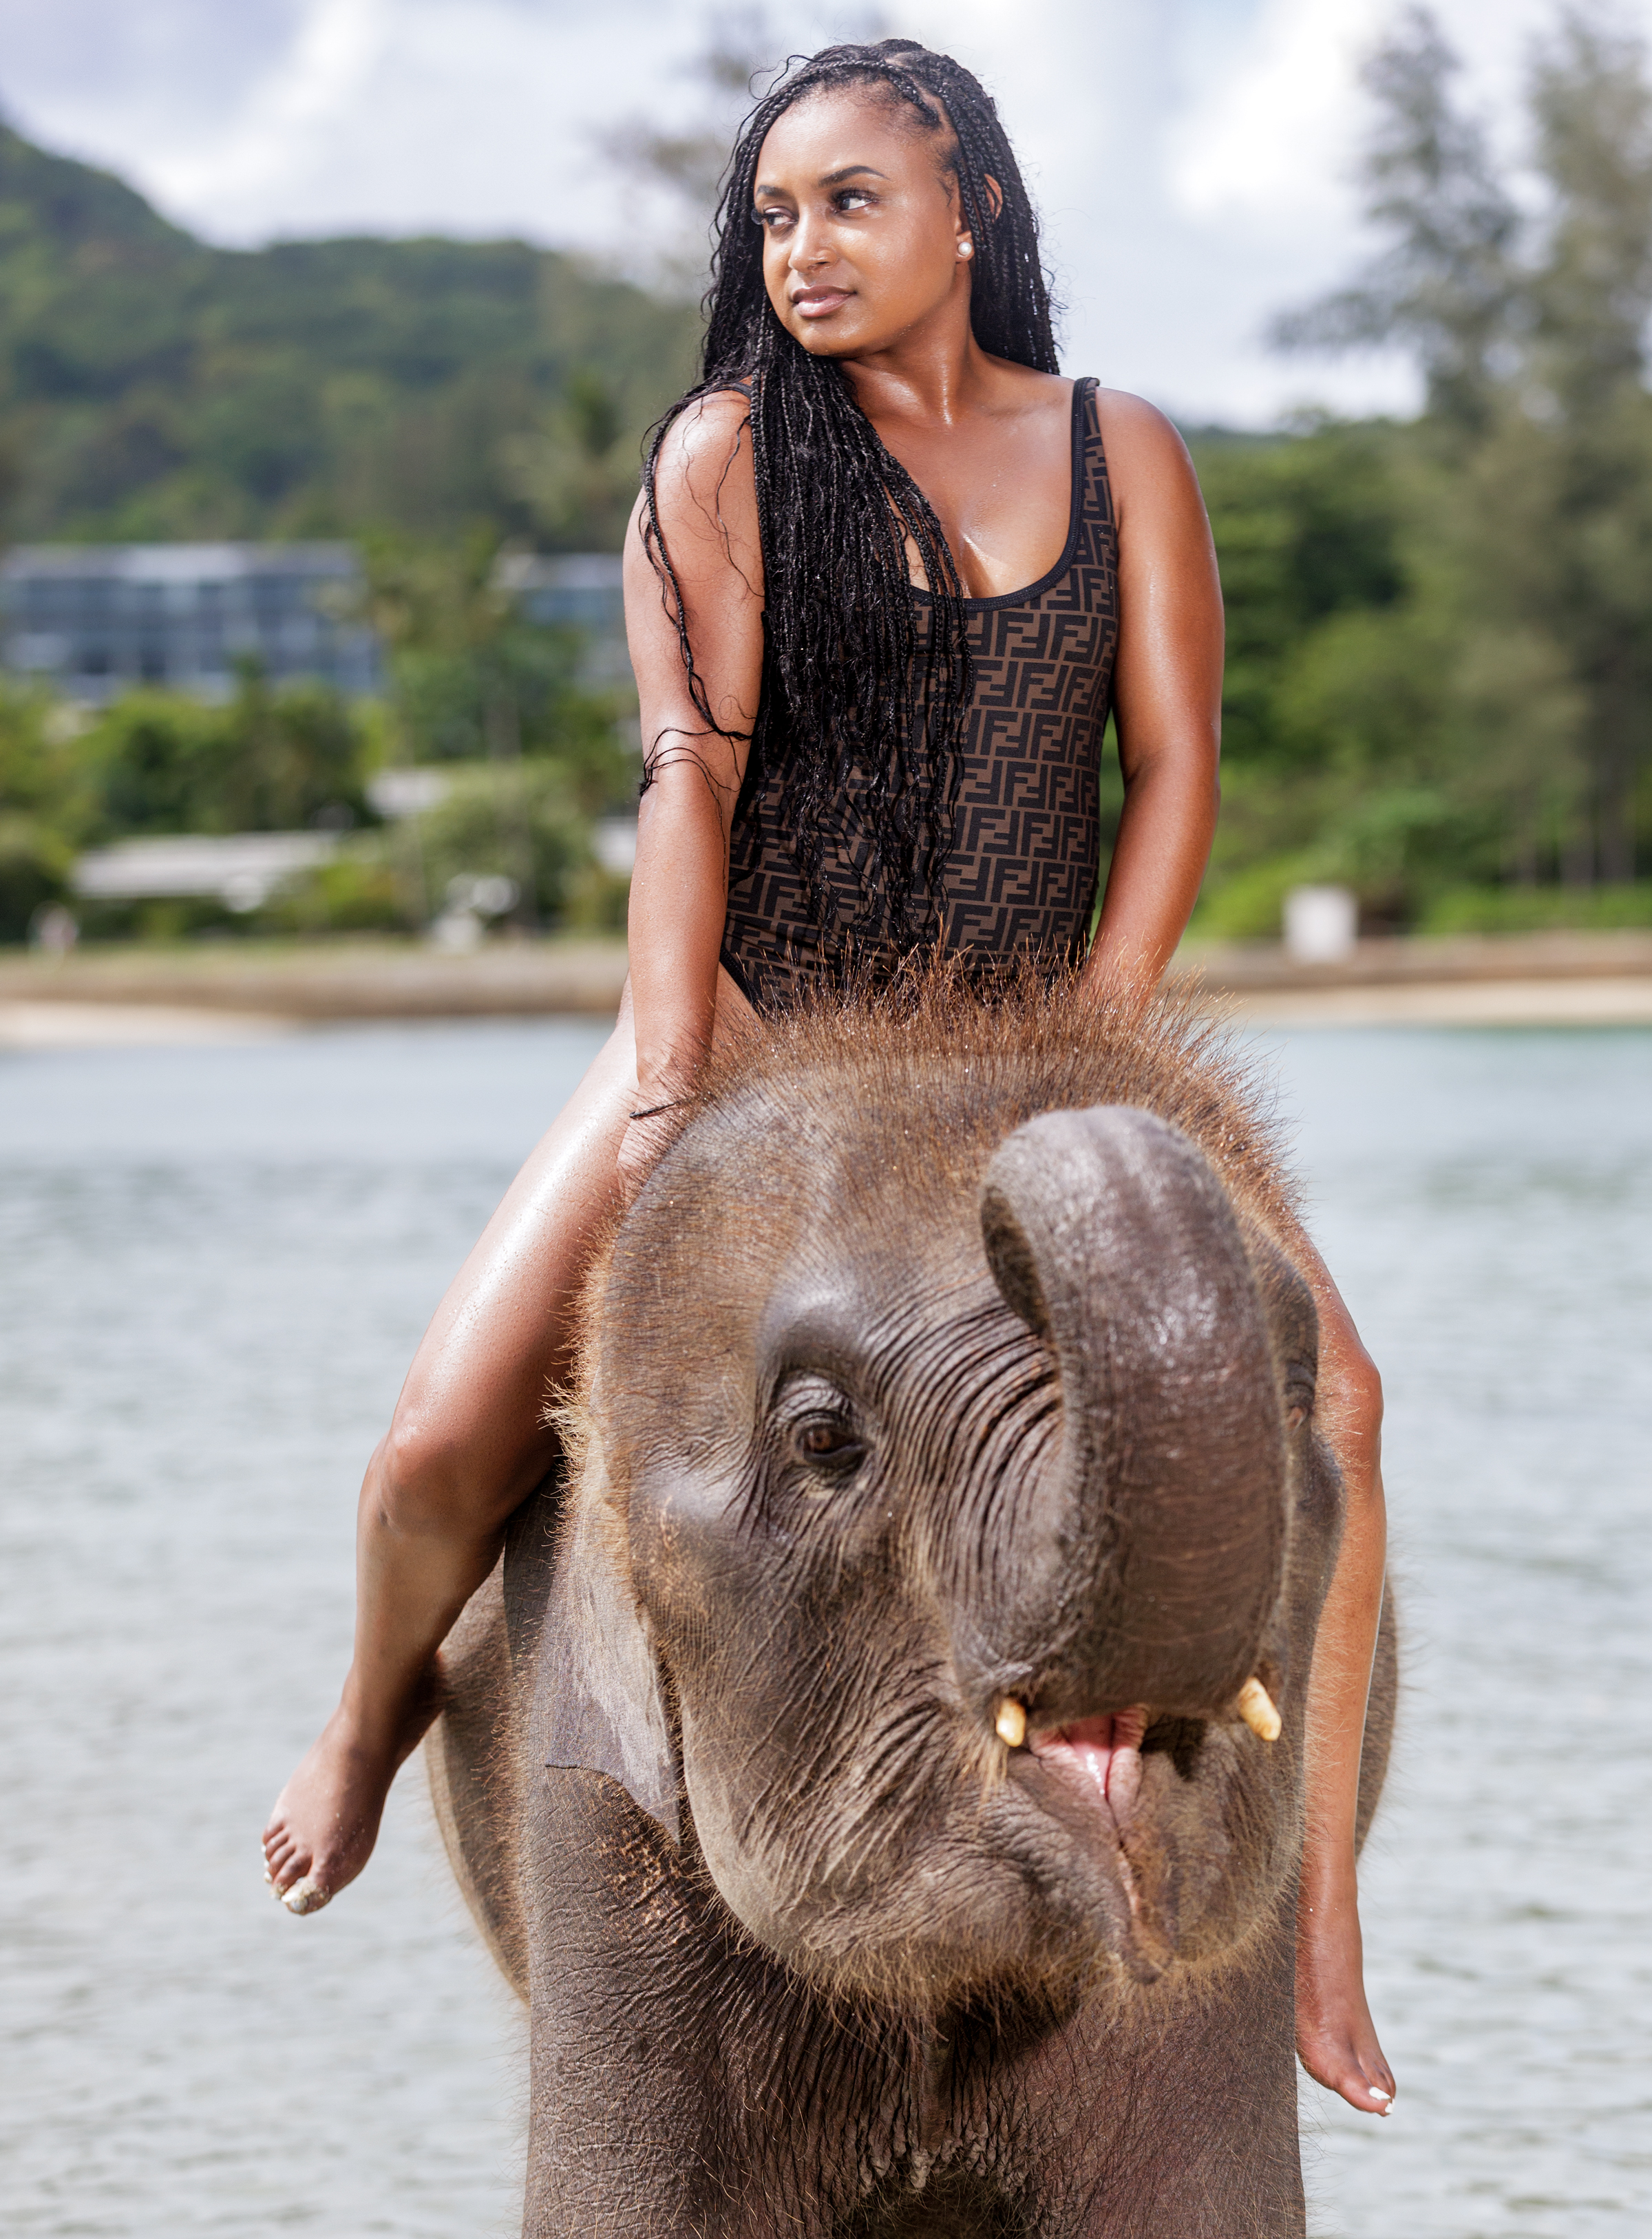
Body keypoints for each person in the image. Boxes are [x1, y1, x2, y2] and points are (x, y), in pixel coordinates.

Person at [262, 39, 1395, 2119]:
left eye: (851, 201)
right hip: (755, 1020)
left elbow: (1177, 770)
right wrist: (672, 1081)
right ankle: (365, 1713)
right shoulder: (724, 457)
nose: (804, 249)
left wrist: (1101, 1042)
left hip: (1050, 1054)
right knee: (431, 1451)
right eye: (774, 215)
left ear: (970, 204)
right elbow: (684, 787)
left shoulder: (1123, 450)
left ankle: (1318, 1927)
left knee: (1346, 1405)